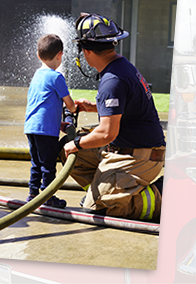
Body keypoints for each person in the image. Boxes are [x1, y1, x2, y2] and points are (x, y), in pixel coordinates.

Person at [63, 13, 165, 221]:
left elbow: (107, 133)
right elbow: (127, 108)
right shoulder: (120, 67)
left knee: (97, 211)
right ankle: (105, 191)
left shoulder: (112, 80)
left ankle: (162, 195)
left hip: (138, 156)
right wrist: (93, 107)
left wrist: (77, 143)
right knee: (67, 152)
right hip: (127, 148)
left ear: (86, 51)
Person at [24, 34, 76, 208]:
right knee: (48, 164)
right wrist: (75, 109)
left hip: (31, 127)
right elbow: (70, 105)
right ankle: (48, 196)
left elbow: (42, 104)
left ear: (38, 55)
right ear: (60, 55)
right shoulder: (57, 77)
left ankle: (32, 194)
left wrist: (58, 122)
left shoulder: (37, 75)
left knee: (36, 162)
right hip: (46, 130)